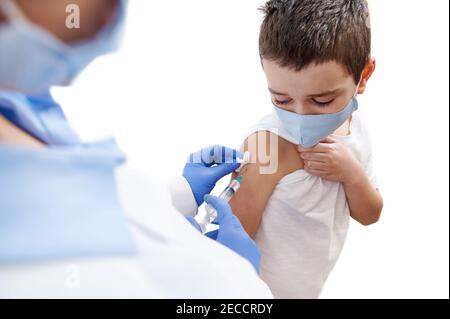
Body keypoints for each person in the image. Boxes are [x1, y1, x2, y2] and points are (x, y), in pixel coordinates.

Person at [0, 0, 272, 298]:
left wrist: (180, 192)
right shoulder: (47, 270)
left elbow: (104, 199)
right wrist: (243, 288)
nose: (112, 13)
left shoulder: (19, 102)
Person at [228, 0, 384, 298]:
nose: (300, 115)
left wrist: (351, 174)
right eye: (282, 99)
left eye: (321, 101)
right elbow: (230, 248)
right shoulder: (268, 145)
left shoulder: (355, 124)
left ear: (363, 76)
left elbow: (370, 214)